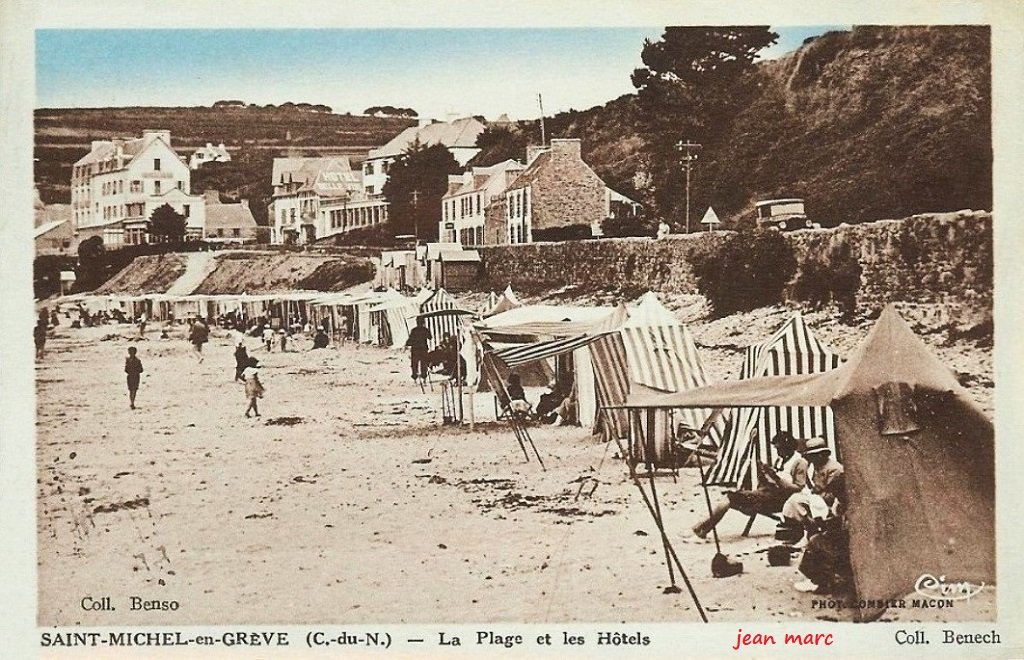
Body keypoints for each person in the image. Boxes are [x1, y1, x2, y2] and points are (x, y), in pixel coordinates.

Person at [692, 431, 807, 538]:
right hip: (767, 494)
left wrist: (776, 478)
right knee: (730, 498)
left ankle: (701, 529)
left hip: (780, 500)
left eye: (779, 449)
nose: (777, 452)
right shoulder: (781, 460)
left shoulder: (799, 462)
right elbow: (772, 480)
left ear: (787, 448)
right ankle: (700, 528)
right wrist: (764, 474)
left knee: (730, 499)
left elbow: (798, 488)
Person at [781, 437, 845, 530]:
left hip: (830, 502)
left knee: (798, 502)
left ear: (820, 455)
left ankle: (814, 526)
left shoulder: (834, 469)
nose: (810, 459)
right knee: (794, 500)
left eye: (812, 456)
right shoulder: (818, 466)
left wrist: (815, 494)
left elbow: (833, 494)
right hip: (819, 498)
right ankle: (806, 527)